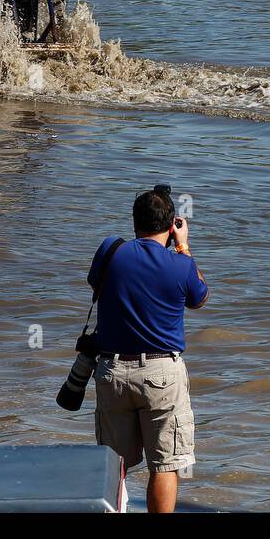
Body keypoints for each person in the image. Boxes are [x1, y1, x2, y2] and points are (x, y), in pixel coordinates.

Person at [88, 187, 208, 513]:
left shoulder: (110, 251)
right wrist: (183, 245)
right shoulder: (180, 264)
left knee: (115, 465)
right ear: (171, 225)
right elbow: (199, 297)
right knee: (165, 464)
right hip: (162, 375)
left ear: (134, 221)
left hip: (113, 372)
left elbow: (96, 282)